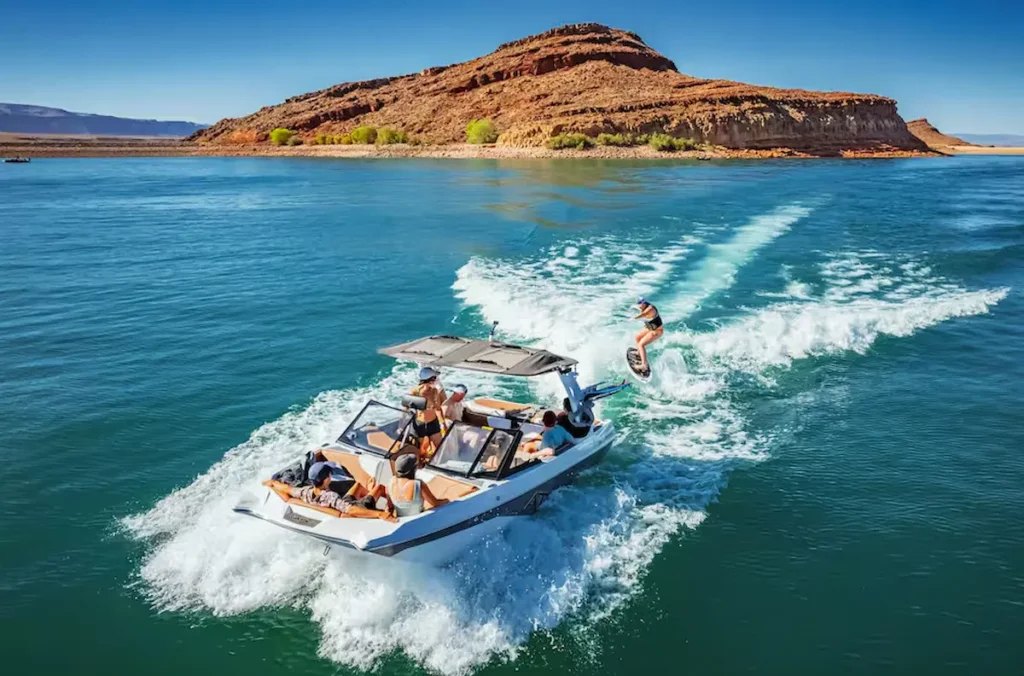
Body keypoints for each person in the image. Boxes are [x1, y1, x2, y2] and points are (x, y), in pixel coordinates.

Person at [265, 461, 395, 521]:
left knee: (358, 485)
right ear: (327, 479)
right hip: (351, 508)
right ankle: (389, 508)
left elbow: (286, 488)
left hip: (334, 505)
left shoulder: (305, 491)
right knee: (380, 488)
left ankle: (369, 493)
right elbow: (350, 510)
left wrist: (271, 483)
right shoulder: (331, 496)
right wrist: (380, 515)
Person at [410, 367, 447, 452]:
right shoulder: (414, 392)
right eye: (435, 378)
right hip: (420, 424)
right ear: (431, 379)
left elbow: (438, 409)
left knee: (439, 447)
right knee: (419, 449)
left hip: (433, 423)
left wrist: (443, 423)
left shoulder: (434, 391)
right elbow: (406, 408)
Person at [632, 296, 664, 373]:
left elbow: (644, 314)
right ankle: (639, 353)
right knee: (637, 337)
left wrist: (634, 318)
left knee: (641, 344)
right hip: (650, 328)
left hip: (656, 331)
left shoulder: (650, 308)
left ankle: (644, 365)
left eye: (643, 302)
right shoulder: (642, 307)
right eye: (640, 303)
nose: (642, 304)